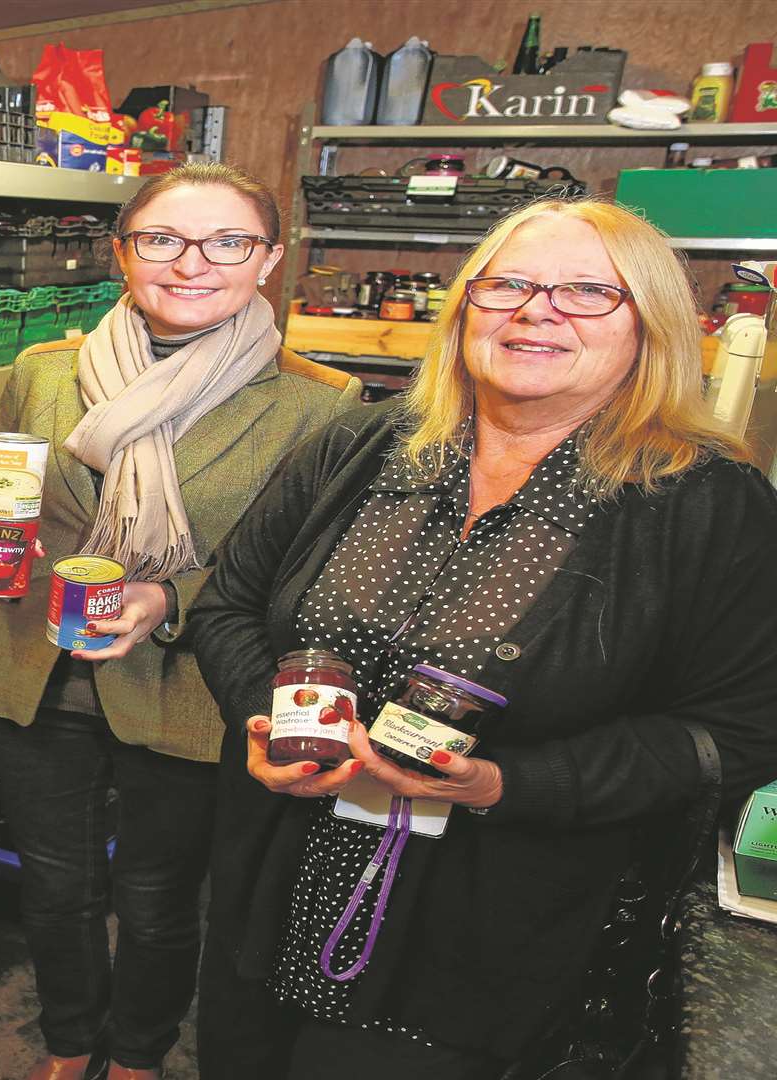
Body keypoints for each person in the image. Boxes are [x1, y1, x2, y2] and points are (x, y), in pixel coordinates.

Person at [190, 197, 777, 1079]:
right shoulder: (363, 443)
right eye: (507, 284)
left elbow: (733, 733)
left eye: (586, 292)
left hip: (486, 936)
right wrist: (263, 717)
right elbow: (227, 606)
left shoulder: (704, 502)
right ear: (466, 306)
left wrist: (505, 782)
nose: (536, 310)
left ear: (649, 324)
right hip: (279, 882)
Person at [0, 164, 361, 1080]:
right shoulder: (46, 371)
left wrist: (171, 599)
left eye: (227, 243)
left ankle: (136, 1053)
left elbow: (301, 573)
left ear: (270, 259)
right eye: (162, 240)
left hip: (189, 684)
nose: (192, 264)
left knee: (162, 898)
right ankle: (68, 1039)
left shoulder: (319, 402)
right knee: (55, 889)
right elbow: (5, 503)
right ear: (124, 252)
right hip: (35, 661)